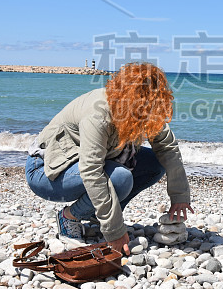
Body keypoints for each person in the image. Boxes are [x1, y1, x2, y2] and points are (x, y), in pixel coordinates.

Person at [25, 62, 193, 255]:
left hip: (80, 165)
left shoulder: (145, 108)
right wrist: (115, 231)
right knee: (120, 178)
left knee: (155, 163)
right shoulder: (99, 113)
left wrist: (179, 196)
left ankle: (99, 216)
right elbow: (91, 170)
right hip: (45, 170)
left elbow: (167, 147)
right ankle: (69, 217)